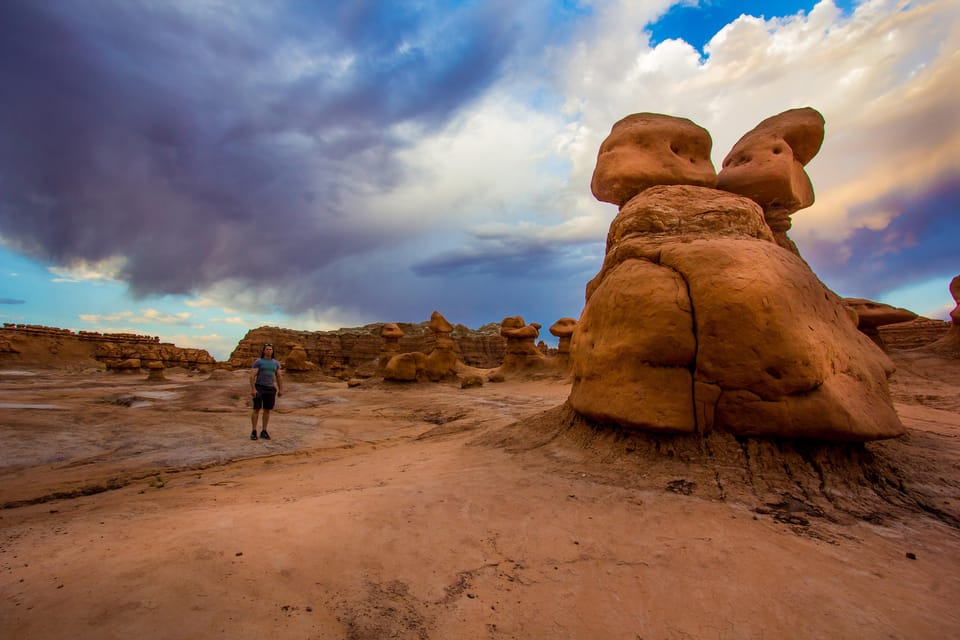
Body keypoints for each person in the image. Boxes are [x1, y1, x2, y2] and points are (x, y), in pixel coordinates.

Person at [250, 343, 283, 440]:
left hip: (270, 388)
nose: (269, 351)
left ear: (273, 351)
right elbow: (252, 376)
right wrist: (253, 389)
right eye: (267, 349)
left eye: (270, 349)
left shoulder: (276, 363)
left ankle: (264, 431)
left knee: (267, 410)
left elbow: (279, 376)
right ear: (264, 351)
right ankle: (254, 431)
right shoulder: (258, 362)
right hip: (259, 387)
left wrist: (281, 389)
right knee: (256, 409)